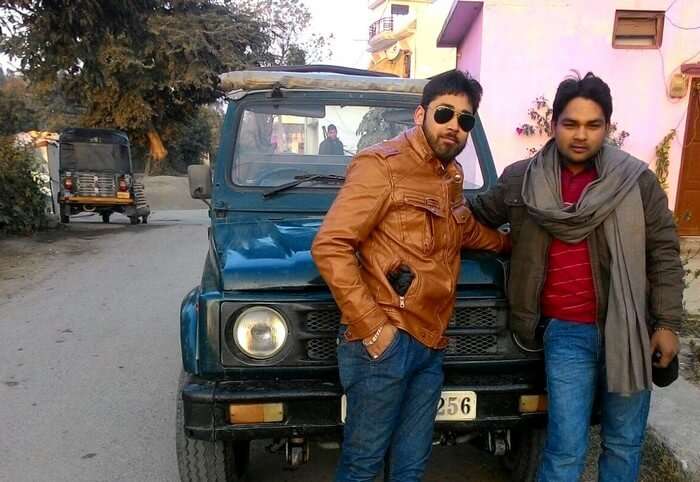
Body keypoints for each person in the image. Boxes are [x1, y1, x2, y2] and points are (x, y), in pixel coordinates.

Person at [469, 72, 684, 481]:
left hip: (630, 332)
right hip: (566, 335)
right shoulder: (523, 179)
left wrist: (668, 323)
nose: (581, 135)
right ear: (553, 125)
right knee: (565, 449)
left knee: (623, 445)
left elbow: (664, 254)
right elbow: (473, 217)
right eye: (571, 124)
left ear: (608, 126)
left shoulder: (635, 182)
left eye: (593, 125)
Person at [311, 70, 510, 482]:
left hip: (429, 342)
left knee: (412, 465)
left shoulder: (449, 175)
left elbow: (462, 229)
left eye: (465, 120)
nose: (454, 126)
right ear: (421, 114)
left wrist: (513, 244)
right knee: (363, 464)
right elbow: (330, 245)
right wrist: (373, 329)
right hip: (386, 342)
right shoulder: (381, 165)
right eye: (445, 114)